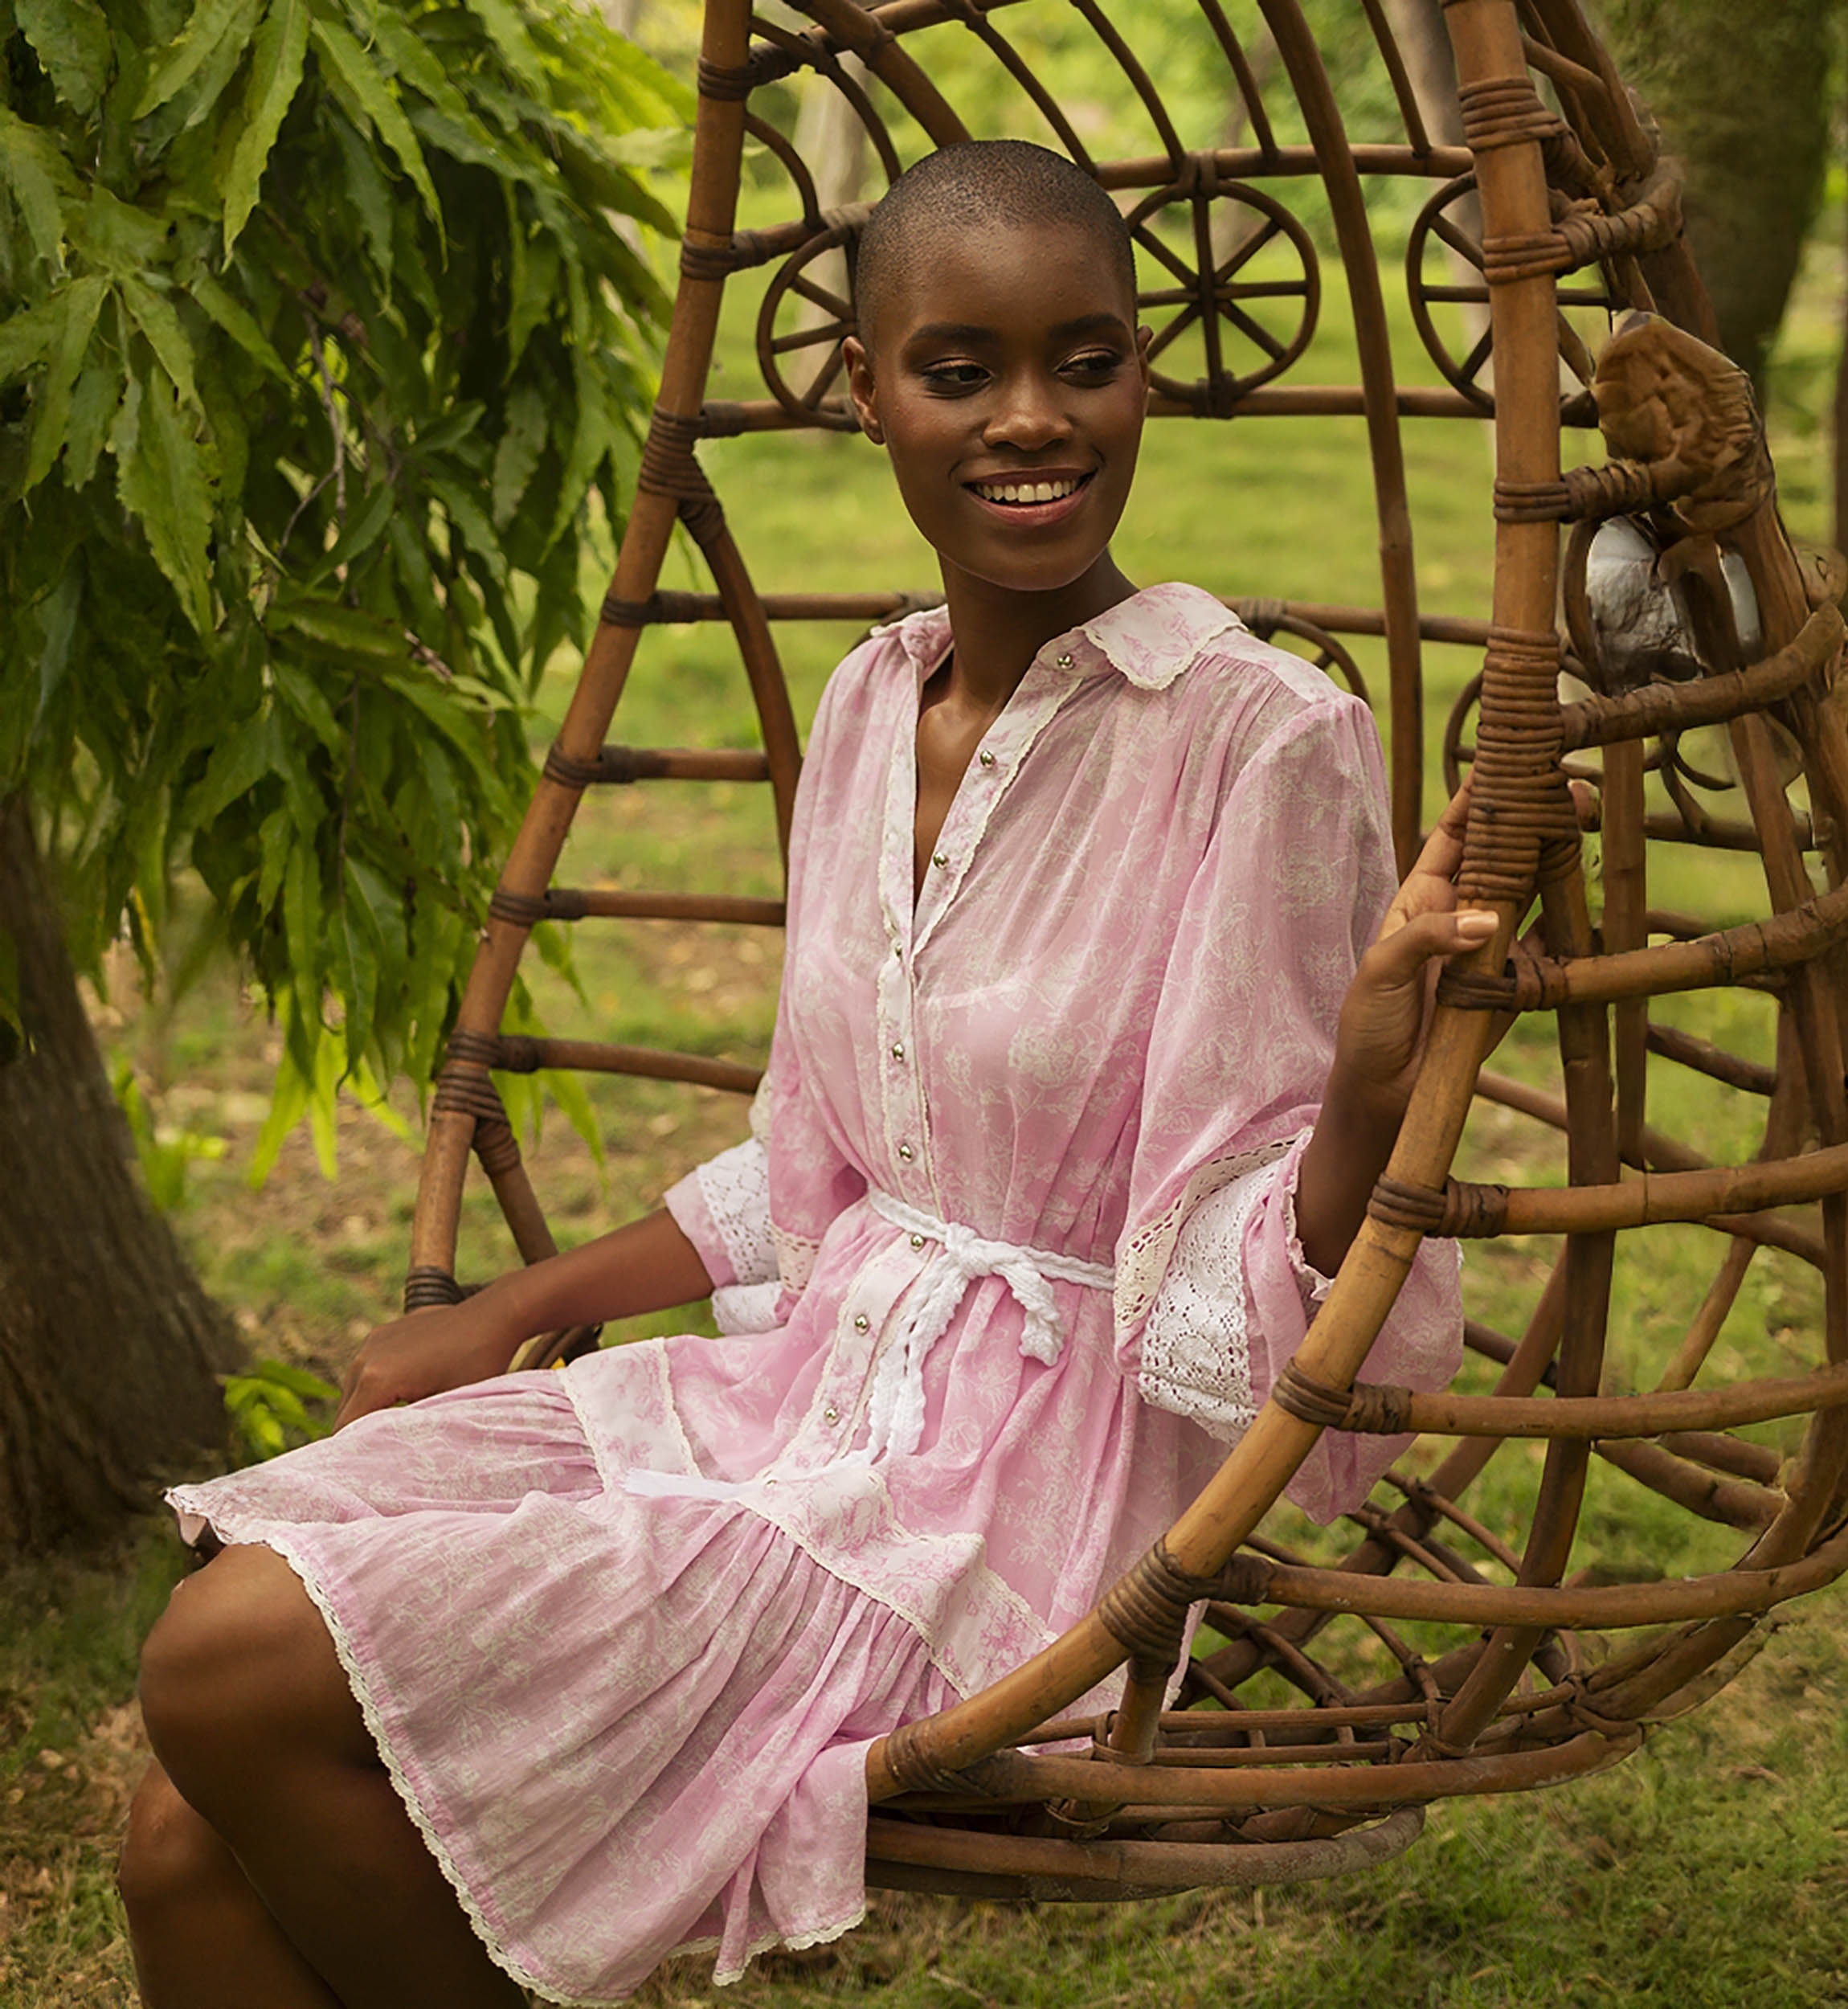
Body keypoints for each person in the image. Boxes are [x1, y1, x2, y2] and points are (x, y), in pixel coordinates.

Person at [119, 141, 1486, 2008]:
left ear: (1143, 371)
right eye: (960, 368)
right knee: (180, 1824)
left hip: (1004, 1503)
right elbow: (824, 1157)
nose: (1033, 420)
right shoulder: (868, 703)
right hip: (797, 1398)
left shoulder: (1257, 738)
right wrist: (515, 1305)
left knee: (220, 1667)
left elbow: (1240, 1282)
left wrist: (1360, 1090)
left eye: (1086, 361)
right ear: (866, 386)